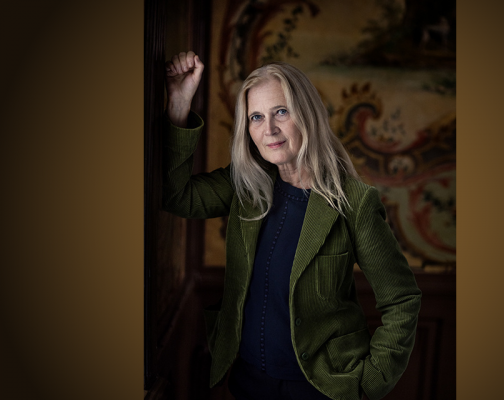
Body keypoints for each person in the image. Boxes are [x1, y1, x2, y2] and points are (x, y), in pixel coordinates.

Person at [162, 51, 421, 400]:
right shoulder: (245, 186)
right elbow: (177, 196)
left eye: (281, 112)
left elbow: (402, 299)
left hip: (321, 390)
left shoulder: (355, 203)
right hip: (247, 383)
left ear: (307, 114)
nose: (268, 129)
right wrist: (179, 104)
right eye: (256, 117)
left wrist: (369, 383)